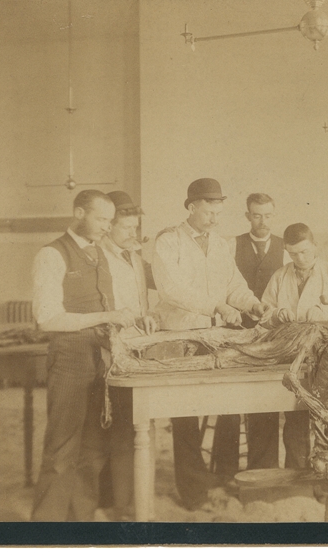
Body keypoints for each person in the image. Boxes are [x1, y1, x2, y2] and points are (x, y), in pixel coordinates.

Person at [151, 177, 268, 510]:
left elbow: (234, 285)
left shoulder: (219, 244)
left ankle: (225, 474)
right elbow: (169, 288)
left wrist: (252, 303)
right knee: (184, 413)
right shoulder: (169, 242)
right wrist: (213, 306)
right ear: (191, 207)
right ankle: (192, 490)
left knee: (227, 401)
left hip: (214, 336)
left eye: (219, 211)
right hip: (179, 335)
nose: (216, 218)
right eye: (209, 211)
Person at [30, 190, 139, 521]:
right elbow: (47, 318)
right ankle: (44, 529)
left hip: (101, 359)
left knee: (92, 450)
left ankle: (80, 522)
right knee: (62, 449)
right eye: (101, 219)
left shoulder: (99, 254)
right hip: (68, 358)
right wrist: (107, 318)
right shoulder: (51, 255)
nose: (107, 227)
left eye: (110, 221)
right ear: (79, 213)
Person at [258, 223, 328, 468]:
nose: (300, 258)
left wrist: (321, 311)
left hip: (326, 357)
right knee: (295, 416)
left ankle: (327, 474)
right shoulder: (280, 275)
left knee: (325, 418)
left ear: (315, 246)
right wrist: (278, 314)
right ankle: (297, 473)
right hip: (292, 356)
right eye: (293, 253)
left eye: (305, 252)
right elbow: (265, 313)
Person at [97, 190, 158, 520]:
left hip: (139, 350)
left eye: (135, 228)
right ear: (107, 228)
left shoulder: (134, 257)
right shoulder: (99, 258)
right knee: (120, 433)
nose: (133, 235)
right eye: (126, 229)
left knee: (140, 428)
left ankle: (137, 500)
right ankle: (119, 506)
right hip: (111, 352)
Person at [220, 193, 290, 472]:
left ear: (274, 215)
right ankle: (224, 469)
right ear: (247, 216)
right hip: (235, 330)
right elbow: (223, 285)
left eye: (268, 215)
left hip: (270, 333)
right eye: (257, 215)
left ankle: (264, 468)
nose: (262, 221)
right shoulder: (230, 245)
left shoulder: (286, 248)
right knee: (228, 402)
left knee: (265, 399)